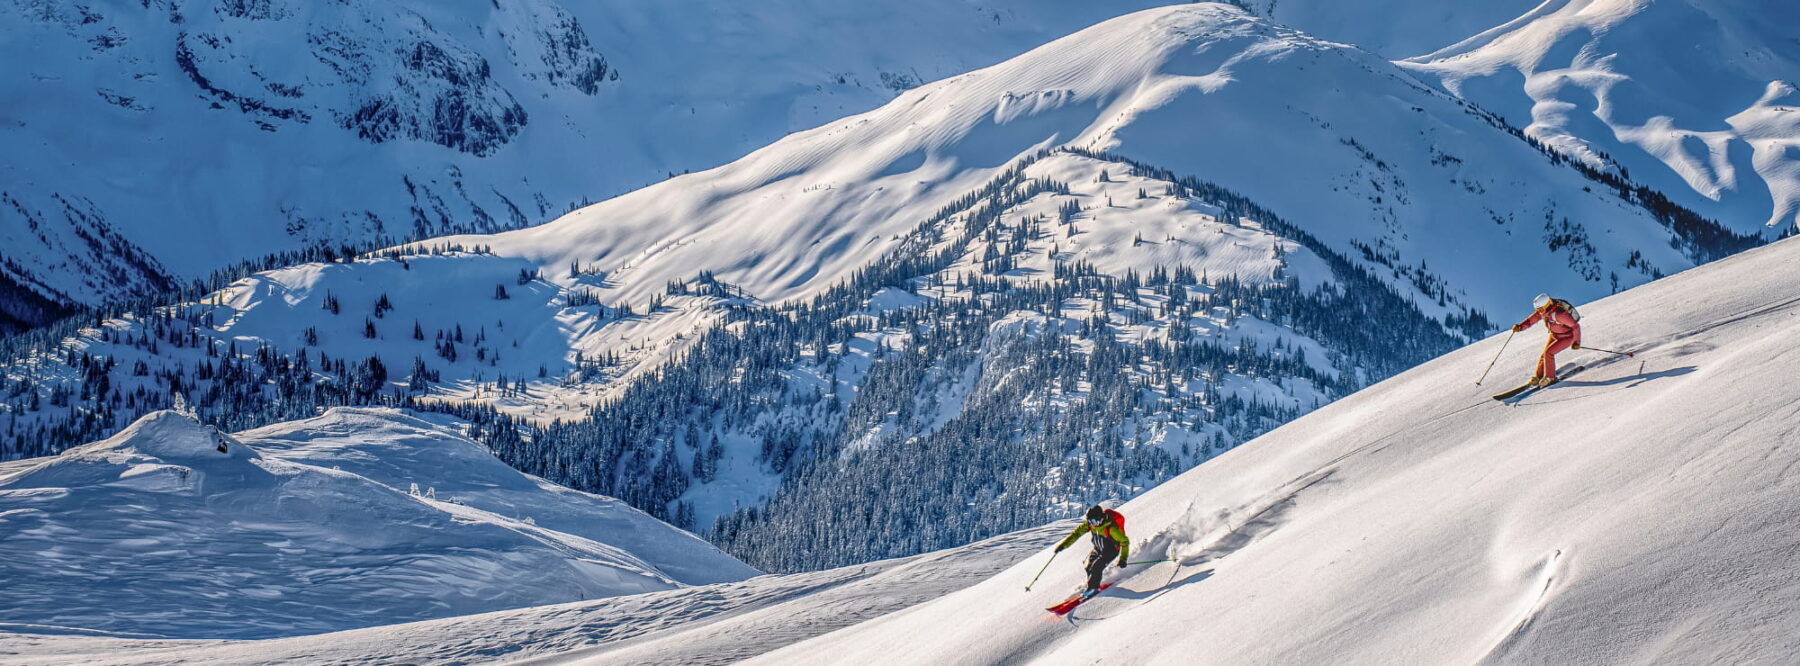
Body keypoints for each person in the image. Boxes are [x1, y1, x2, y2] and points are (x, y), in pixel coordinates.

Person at [1055, 505, 1129, 593]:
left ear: (1100, 519)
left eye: (1093, 521)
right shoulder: (1091, 525)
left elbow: (1125, 542)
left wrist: (1123, 559)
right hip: (1098, 548)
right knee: (1088, 567)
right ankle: (1092, 584)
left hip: (1111, 550)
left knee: (1096, 567)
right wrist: (1063, 545)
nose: (1091, 523)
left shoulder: (1111, 528)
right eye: (1089, 521)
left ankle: (1093, 588)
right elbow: (1077, 533)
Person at [1511, 293, 1581, 386]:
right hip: (1554, 335)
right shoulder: (1543, 312)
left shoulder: (1559, 314)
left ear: (1547, 305)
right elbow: (1530, 321)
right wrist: (1520, 327)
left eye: (1540, 309)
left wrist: (1576, 342)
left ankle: (1550, 377)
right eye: (1537, 309)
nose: (1539, 311)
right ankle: (1538, 377)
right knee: (1544, 354)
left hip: (1567, 337)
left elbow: (1575, 326)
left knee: (1549, 353)